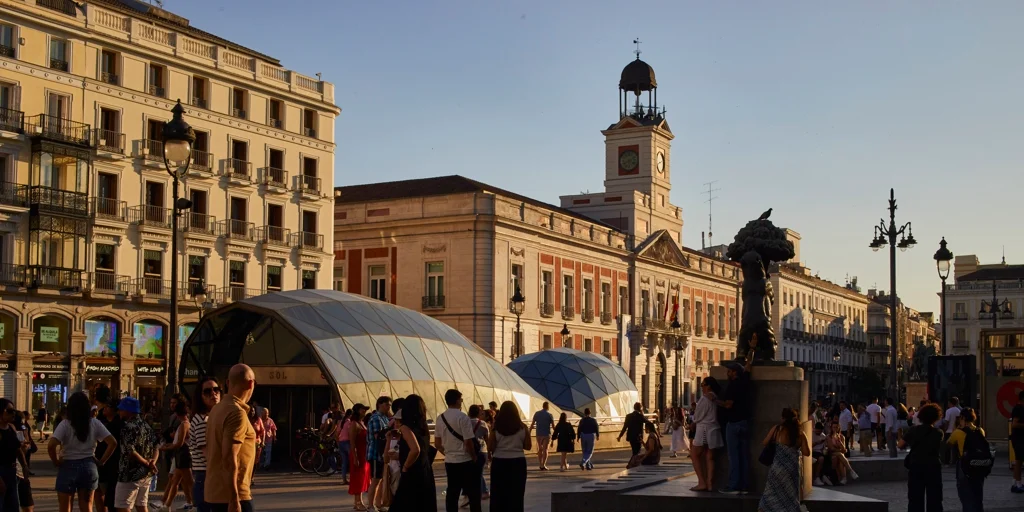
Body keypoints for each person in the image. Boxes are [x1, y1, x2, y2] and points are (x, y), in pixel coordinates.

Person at [47, 391, 117, 512]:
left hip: (67, 465)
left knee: (65, 507)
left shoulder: (65, 424)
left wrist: (56, 461)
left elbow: (51, 445)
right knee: (87, 506)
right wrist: (101, 461)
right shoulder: (95, 423)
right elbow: (113, 442)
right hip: (88, 466)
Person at [205, 364, 257, 512]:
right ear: (251, 383)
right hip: (234, 495)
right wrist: (234, 499)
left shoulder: (216, 409)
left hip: (215, 492)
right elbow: (229, 457)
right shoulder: (236, 413)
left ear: (228, 383)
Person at [435, 389, 479, 512]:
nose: (462, 402)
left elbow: (437, 444)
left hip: (450, 461)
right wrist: (474, 456)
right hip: (465, 460)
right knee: (473, 492)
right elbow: (468, 442)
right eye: (461, 399)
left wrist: (448, 453)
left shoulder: (440, 418)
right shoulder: (463, 417)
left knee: (452, 492)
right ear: (456, 401)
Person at [390, 395, 437, 512]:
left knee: (403, 503)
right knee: (422, 504)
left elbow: (415, 449)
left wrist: (405, 467)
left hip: (412, 471)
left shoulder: (405, 427)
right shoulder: (423, 427)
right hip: (425, 471)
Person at [113, 396, 159, 512]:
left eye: (121, 409)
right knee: (141, 504)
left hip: (129, 473)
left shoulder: (127, 428)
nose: (119, 411)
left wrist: (146, 463)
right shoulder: (147, 426)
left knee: (123, 506)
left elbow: (130, 451)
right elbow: (156, 446)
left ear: (128, 411)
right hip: (145, 474)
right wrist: (152, 462)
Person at [759, 408, 810, 512]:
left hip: (777, 469)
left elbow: (765, 442)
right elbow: (807, 453)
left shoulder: (777, 429)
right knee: (790, 496)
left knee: (771, 495)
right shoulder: (801, 433)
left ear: (783, 418)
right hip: (793, 469)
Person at [718, 352, 754, 495]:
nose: (727, 373)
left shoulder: (733, 386)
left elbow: (728, 405)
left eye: (729, 371)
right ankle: (744, 486)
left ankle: (733, 485)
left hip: (733, 423)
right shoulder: (745, 380)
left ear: (734, 373)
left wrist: (716, 401)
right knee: (744, 456)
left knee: (733, 456)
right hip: (745, 422)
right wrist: (751, 350)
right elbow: (749, 365)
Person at [898, 402, 943, 512]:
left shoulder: (914, 430)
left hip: (916, 465)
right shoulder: (938, 433)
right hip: (933, 466)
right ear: (936, 417)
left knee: (915, 498)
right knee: (935, 498)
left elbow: (900, 444)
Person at [486, 401, 530, 512]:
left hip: (499, 462)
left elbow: (490, 447)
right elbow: (528, 446)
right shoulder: (522, 427)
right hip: (518, 462)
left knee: (498, 493)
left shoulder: (496, 428)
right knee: (517, 494)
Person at [155, 399, 193, 512]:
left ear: (177, 414)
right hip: (180, 456)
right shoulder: (184, 424)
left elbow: (179, 444)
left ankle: (194, 503)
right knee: (175, 480)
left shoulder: (184, 425)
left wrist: (164, 448)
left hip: (183, 456)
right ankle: (167, 505)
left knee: (189, 482)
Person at [947, 407, 987, 512]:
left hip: (964, 465)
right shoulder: (980, 430)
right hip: (979, 465)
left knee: (965, 496)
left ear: (962, 418)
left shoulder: (958, 432)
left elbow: (949, 443)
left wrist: (957, 428)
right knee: (978, 495)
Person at [189, 376, 220, 512]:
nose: (213, 394)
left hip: (207, 476)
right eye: (207, 391)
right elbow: (208, 454)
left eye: (216, 389)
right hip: (207, 476)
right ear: (200, 397)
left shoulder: (210, 417)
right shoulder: (203, 420)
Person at [690, 378, 723, 492]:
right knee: (710, 457)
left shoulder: (705, 398)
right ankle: (710, 483)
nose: (701, 387)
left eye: (703, 385)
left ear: (708, 386)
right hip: (714, 429)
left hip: (704, 429)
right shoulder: (715, 397)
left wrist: (694, 420)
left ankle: (701, 482)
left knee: (694, 455)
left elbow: (698, 416)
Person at [1, 398, 29, 512]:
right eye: (10, 411)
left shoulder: (11, 428)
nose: (14, 414)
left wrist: (24, 466)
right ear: (2, 412)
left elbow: (17, 449)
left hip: (12, 472)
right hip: (1, 471)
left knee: (13, 507)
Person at [95, 399, 123, 512]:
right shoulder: (100, 421)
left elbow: (114, 444)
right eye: (104, 406)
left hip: (112, 463)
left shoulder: (119, 424)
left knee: (110, 494)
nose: (105, 409)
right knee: (98, 492)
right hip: (99, 459)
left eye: (108, 407)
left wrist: (102, 461)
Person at [366, 396, 392, 510]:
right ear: (380, 404)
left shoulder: (385, 418)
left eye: (390, 405)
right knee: (375, 479)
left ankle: (378, 503)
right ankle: (370, 505)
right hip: (376, 453)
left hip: (382, 453)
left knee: (381, 479)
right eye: (387, 405)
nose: (388, 407)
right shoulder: (376, 418)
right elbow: (379, 436)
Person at [348, 405, 370, 510]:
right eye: (362, 409)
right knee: (358, 479)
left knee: (363, 478)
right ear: (357, 411)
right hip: (358, 454)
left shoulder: (362, 423)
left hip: (364, 454)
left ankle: (357, 502)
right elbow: (352, 442)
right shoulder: (354, 424)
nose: (364, 411)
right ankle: (358, 502)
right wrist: (355, 457)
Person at [467, 405, 490, 501]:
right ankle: (483, 491)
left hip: (470, 450)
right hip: (482, 450)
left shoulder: (466, 423)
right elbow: (487, 439)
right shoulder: (483, 423)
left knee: (473, 473)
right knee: (478, 473)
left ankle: (483, 491)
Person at [528, 402, 554, 471]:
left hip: (538, 434)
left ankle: (540, 464)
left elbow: (532, 424)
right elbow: (554, 426)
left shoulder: (537, 414)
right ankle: (543, 464)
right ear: (547, 407)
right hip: (546, 434)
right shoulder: (550, 415)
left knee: (540, 449)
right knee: (545, 450)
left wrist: (529, 432)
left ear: (542, 406)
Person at [941, 396, 962, 466]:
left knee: (947, 447)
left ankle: (946, 461)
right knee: (955, 448)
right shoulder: (958, 411)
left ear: (950, 403)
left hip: (948, 431)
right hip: (956, 431)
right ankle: (954, 461)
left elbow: (947, 421)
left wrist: (945, 429)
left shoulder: (948, 411)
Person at [1011, 390, 1024, 494]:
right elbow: (1014, 424)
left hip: (1020, 438)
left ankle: (1016, 482)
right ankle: (1018, 483)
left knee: (1019, 460)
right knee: (1019, 461)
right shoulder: (1018, 409)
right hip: (1019, 438)